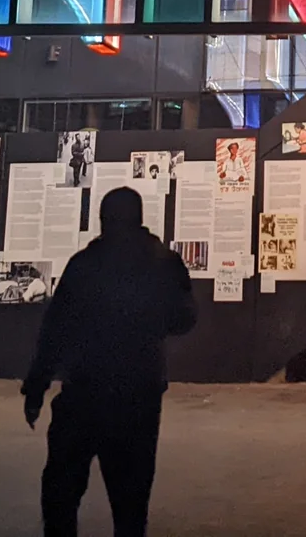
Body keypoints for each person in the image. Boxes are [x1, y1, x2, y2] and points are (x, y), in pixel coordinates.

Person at [23, 186, 194, 537]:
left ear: (103, 219)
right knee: (131, 501)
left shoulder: (84, 264)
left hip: (84, 391)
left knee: (61, 491)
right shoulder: (163, 263)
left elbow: (55, 329)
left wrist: (37, 385)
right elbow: (185, 320)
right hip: (139, 395)